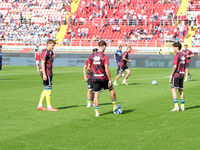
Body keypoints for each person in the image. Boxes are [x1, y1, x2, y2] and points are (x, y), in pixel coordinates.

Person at [87, 40, 121, 117]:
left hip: (95, 78)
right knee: (111, 89)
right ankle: (115, 106)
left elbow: (88, 68)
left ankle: (97, 112)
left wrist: (93, 74)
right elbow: (106, 68)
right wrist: (109, 79)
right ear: (104, 46)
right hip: (103, 77)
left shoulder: (91, 55)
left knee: (96, 95)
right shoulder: (104, 56)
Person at [37, 39, 58, 111]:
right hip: (46, 72)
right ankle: (49, 106)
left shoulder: (50, 52)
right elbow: (42, 62)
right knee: (49, 89)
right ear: (48, 44)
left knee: (46, 88)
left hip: (49, 72)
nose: (53, 47)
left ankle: (40, 105)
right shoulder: (45, 52)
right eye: (52, 45)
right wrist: (44, 74)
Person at [169, 42, 187, 112]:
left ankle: (176, 106)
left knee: (173, 89)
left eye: (173, 47)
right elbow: (185, 65)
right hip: (182, 74)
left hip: (177, 74)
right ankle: (182, 107)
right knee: (181, 90)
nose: (173, 48)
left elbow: (175, 65)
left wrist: (171, 75)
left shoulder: (176, 54)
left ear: (177, 47)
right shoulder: (184, 54)